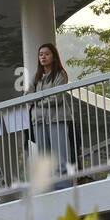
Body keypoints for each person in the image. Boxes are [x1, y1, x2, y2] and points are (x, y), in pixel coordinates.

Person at [27, 42, 75, 186]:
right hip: (39, 121)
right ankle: (49, 186)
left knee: (60, 154)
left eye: (47, 54)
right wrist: (40, 98)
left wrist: (38, 100)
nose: (43, 57)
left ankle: (64, 186)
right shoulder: (36, 77)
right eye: (41, 54)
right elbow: (28, 96)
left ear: (54, 57)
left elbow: (57, 98)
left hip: (57, 119)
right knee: (44, 157)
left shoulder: (60, 74)